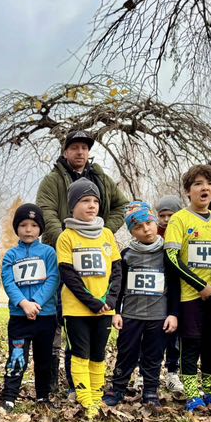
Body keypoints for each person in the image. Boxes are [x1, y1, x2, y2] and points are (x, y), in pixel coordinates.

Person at [36, 130, 129, 398]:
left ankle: (89, 387)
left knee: (95, 332)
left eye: (84, 148)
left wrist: (102, 233)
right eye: (74, 147)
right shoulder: (53, 180)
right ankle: (67, 384)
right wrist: (68, 237)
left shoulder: (100, 177)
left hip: (99, 260)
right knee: (68, 321)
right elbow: (46, 212)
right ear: (65, 151)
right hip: (65, 254)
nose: (80, 152)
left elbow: (121, 206)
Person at [164, 165, 211, 412]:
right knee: (191, 345)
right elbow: (171, 257)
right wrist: (200, 286)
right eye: (198, 184)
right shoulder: (180, 219)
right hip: (190, 296)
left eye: (210, 184)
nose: (205, 188)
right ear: (188, 191)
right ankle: (192, 394)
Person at [56, 179, 122, 418]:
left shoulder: (106, 234)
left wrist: (111, 301)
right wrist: (92, 302)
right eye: (85, 200)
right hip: (77, 310)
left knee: (98, 354)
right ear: (73, 205)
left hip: (104, 309)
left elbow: (116, 270)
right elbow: (68, 275)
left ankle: (96, 395)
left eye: (95, 201)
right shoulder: (67, 237)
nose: (91, 205)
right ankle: (84, 399)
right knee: (80, 354)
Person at [106, 202, 179, 409]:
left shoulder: (167, 252)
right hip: (131, 314)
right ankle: (118, 388)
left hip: (158, 315)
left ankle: (150, 391)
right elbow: (118, 286)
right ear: (131, 231)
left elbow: (174, 286)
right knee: (126, 353)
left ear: (155, 222)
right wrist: (115, 312)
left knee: (154, 355)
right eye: (138, 227)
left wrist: (173, 314)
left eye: (148, 223)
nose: (146, 229)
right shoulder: (126, 254)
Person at [0, 203, 59, 411]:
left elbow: (52, 279)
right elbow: (8, 282)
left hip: (45, 315)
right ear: (16, 228)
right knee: (17, 357)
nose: (28, 229)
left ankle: (43, 395)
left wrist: (36, 303)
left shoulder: (49, 253)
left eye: (34, 225)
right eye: (23, 225)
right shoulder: (10, 256)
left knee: (44, 359)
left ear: (40, 228)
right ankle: (9, 396)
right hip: (19, 316)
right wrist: (24, 304)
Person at [156, 195, 183, 395]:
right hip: (155, 293)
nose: (166, 219)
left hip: (177, 290)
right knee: (152, 335)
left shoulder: (181, 231)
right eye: (162, 215)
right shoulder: (152, 232)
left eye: (170, 215)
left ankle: (172, 372)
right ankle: (146, 373)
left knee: (174, 335)